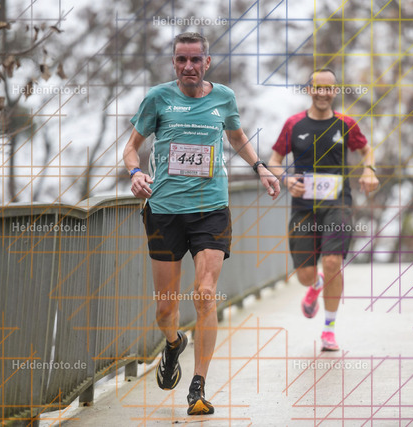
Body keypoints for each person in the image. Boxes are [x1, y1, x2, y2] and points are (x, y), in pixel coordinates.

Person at [122, 32, 280, 416]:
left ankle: (198, 386)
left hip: (211, 209)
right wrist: (135, 173)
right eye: (181, 60)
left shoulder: (223, 97)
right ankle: (173, 343)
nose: (189, 66)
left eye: (196, 60)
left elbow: (237, 136)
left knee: (205, 293)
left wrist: (260, 167)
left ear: (207, 62)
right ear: (174, 63)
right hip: (165, 211)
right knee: (165, 310)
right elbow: (131, 148)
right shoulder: (158, 98)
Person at [268, 69, 379, 351]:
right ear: (310, 90)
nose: (323, 93)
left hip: (337, 204)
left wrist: (369, 171)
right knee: (305, 275)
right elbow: (274, 161)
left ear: (335, 91)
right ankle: (315, 284)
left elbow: (367, 150)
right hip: (304, 207)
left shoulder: (346, 124)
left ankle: (329, 330)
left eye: (329, 88)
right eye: (318, 87)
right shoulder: (293, 124)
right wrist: (286, 180)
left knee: (332, 263)